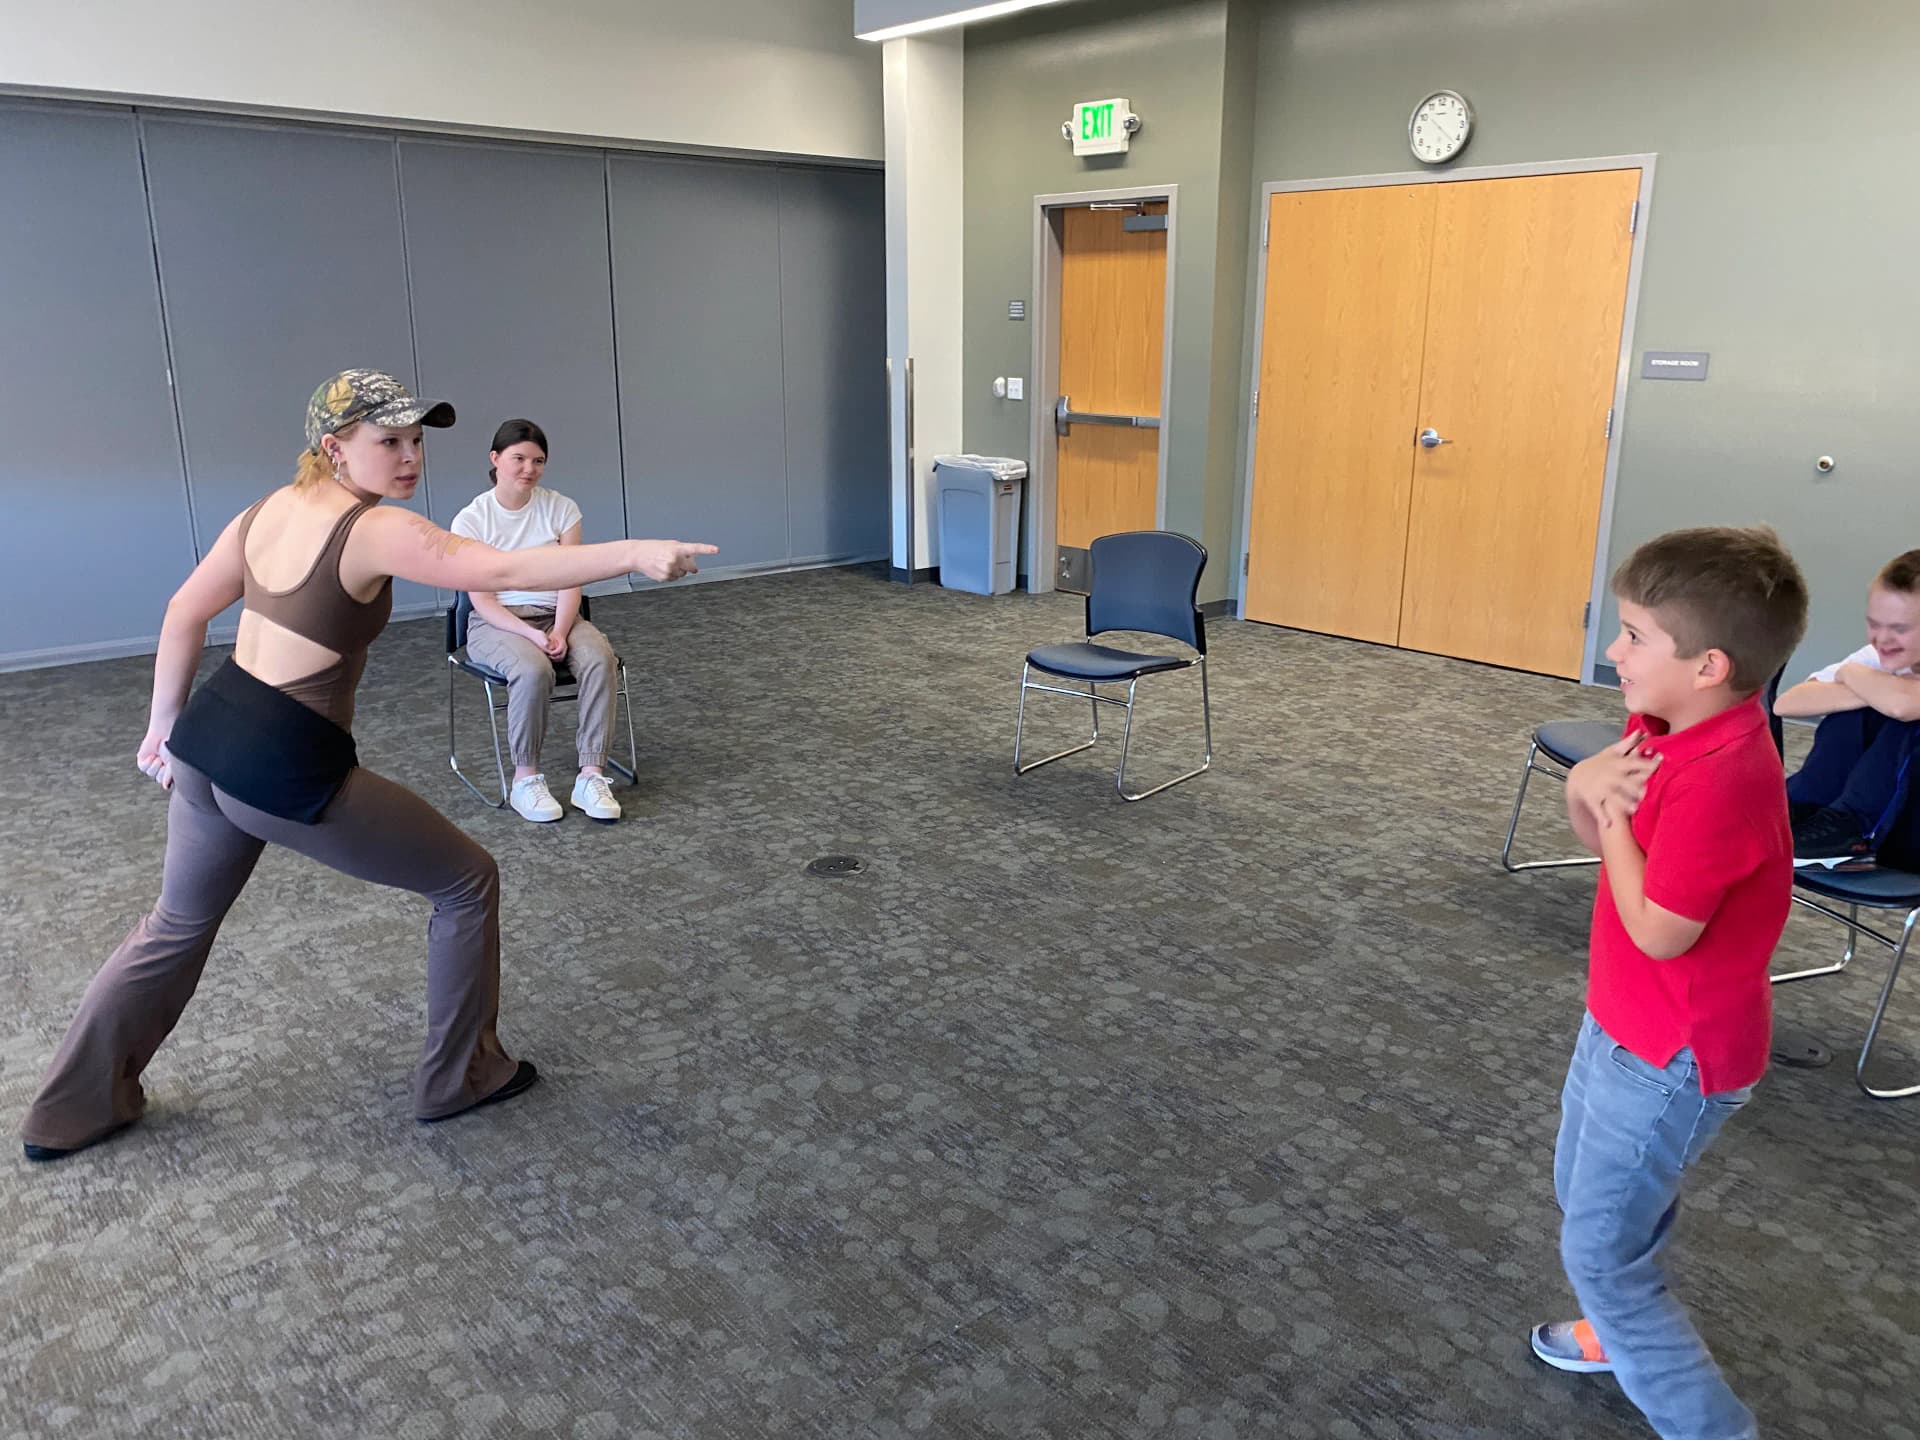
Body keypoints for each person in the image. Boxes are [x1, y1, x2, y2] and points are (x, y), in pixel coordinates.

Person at [19, 370, 715, 1163]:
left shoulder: (266, 510)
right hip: (283, 760)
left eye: (417, 440)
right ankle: (461, 1076)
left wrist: (165, 728)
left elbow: (185, 610)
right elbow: (494, 571)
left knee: (174, 925)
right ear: (334, 448)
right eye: (388, 441)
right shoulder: (373, 528)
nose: (410, 456)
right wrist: (634, 553)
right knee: (466, 880)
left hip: (213, 738)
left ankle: (68, 1111)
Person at [1528, 527, 1807, 1440]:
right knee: (1589, 1197)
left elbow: (1656, 927)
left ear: (1709, 665)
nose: (1614, 649)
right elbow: (1596, 828)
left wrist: (1608, 811)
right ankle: (1616, 1335)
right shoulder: (1665, 723)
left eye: (1636, 635)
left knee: (1604, 1256)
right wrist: (1594, 794)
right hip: (1620, 1027)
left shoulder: (1726, 775)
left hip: (1673, 1057)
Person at [451, 420, 623, 824]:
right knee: (531, 668)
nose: (529, 468)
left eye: (538, 460)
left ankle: (591, 774)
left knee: (601, 659)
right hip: (497, 623)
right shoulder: (471, 520)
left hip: (558, 614)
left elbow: (570, 578)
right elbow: (482, 600)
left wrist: (560, 630)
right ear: (495, 460)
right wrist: (531, 634)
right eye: (519, 459)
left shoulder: (561, 508)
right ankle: (525, 778)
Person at [1774, 549, 1920, 868]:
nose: (1882, 639)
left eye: (1899, 629)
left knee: (1907, 720)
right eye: (1874, 624)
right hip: (1885, 812)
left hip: (1908, 832)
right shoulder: (1879, 656)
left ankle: (1853, 828)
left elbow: (1902, 706)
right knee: (1857, 703)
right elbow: (1787, 703)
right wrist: (1856, 679)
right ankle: (1804, 805)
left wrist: (1856, 679)